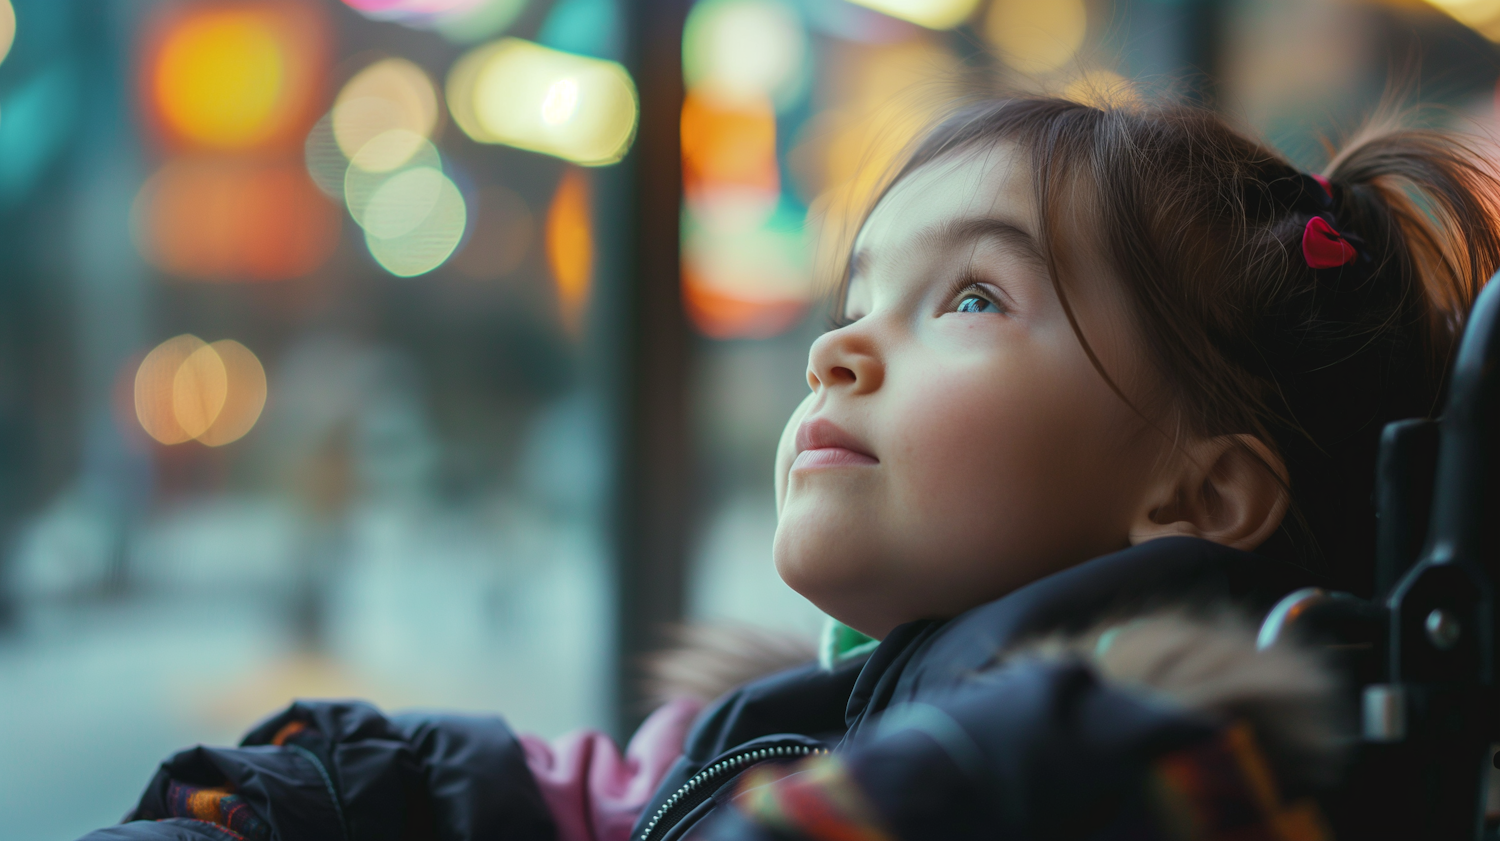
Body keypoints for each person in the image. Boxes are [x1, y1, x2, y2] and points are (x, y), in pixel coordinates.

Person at [81, 94, 1500, 841]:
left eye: (970, 301)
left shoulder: (1159, 778)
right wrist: (316, 791)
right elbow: (579, 806)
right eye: (856, 298)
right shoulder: (807, 723)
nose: (838, 351)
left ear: (1200, 495)